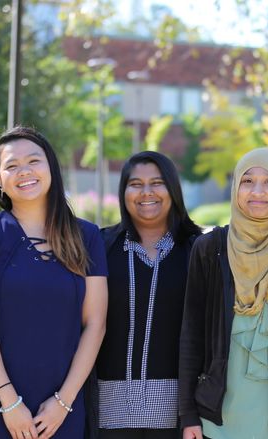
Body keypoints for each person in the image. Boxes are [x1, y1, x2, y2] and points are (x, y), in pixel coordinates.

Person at [0, 126, 108, 439]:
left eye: (33, 161)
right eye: (11, 166)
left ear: (50, 166)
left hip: (60, 411)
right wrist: (9, 402)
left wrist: (63, 402)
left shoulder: (87, 236)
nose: (24, 172)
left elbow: (95, 324)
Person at [179, 148, 268, 439]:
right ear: (235, 186)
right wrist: (188, 415)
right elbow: (192, 334)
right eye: (247, 181)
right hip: (217, 419)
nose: (257, 192)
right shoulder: (209, 248)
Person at [89, 151, 203, 439]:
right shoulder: (99, 248)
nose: (146, 192)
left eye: (157, 182)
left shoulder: (199, 251)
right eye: (136, 184)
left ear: (173, 190)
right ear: (123, 191)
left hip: (181, 417)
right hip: (108, 414)